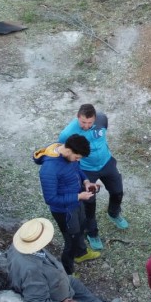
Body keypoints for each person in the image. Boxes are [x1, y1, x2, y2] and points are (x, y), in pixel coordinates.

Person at [8, 218, 121, 302]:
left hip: (56, 282)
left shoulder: (24, 246)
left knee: (78, 286)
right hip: (53, 299)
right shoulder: (31, 270)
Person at [58, 104, 128, 252]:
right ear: (78, 117)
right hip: (86, 169)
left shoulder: (102, 120)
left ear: (95, 119)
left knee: (117, 192)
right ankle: (92, 233)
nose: (86, 126)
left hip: (106, 162)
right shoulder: (68, 133)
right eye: (83, 122)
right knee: (89, 203)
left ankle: (113, 213)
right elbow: (64, 153)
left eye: (90, 123)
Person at [35, 134, 100, 274]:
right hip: (64, 212)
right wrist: (78, 196)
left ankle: (81, 253)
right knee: (71, 241)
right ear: (69, 150)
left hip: (77, 202)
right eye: (77, 157)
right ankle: (68, 272)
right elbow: (50, 199)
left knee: (81, 227)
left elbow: (77, 169)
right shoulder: (49, 169)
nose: (78, 160)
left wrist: (86, 182)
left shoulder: (68, 155)